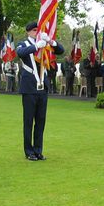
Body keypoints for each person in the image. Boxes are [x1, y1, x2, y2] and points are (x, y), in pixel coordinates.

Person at [17, 22, 64, 161]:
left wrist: (49, 40)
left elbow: (60, 50)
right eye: (34, 30)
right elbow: (20, 53)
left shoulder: (46, 44)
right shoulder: (24, 44)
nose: (36, 33)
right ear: (28, 32)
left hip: (42, 87)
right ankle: (29, 151)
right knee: (28, 120)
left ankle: (38, 150)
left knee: (41, 120)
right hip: (29, 88)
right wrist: (37, 46)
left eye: (38, 30)